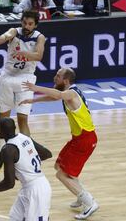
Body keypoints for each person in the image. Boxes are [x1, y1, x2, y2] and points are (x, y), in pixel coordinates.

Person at [21, 68, 99, 220]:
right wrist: (33, 100)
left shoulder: (71, 93)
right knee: (60, 166)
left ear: (66, 80)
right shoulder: (70, 92)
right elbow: (55, 97)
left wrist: (35, 88)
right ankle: (80, 195)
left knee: (61, 175)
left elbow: (58, 95)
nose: (54, 77)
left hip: (85, 139)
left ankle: (89, 202)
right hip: (79, 138)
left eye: (58, 76)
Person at [0, 10, 46, 172]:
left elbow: (39, 55)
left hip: (26, 78)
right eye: (24, 23)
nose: (26, 26)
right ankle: (0, 152)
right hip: (7, 77)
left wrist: (24, 54)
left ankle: (28, 153)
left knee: (22, 120)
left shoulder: (40, 37)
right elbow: (7, 34)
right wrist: (1, 39)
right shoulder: (15, 32)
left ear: (35, 25)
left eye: (30, 24)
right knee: (3, 119)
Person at [0, 117, 52, 221]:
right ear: (15, 127)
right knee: (15, 218)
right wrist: (24, 163)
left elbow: (9, 183)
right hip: (30, 187)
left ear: (0, 131)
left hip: (36, 190)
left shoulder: (8, 150)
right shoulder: (25, 137)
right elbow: (47, 154)